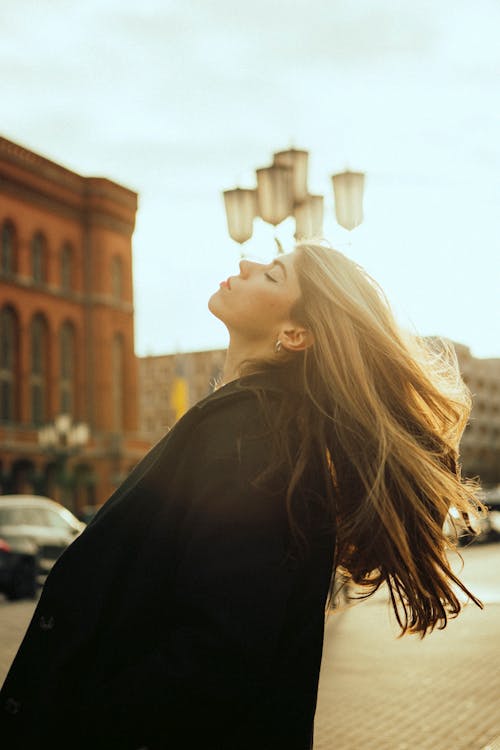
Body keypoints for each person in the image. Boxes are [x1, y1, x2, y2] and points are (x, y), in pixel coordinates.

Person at [0, 241, 485, 750]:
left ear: (294, 334)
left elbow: (219, 648)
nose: (245, 265)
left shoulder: (254, 434)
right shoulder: (262, 426)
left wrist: (81, 726)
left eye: (273, 276)